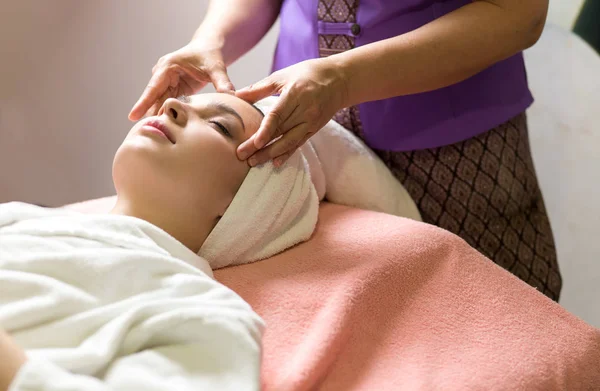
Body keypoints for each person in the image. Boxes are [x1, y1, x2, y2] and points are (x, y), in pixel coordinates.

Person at [129, 0, 561, 301]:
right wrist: (213, 40)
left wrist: (344, 79)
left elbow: (517, 14)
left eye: (222, 124)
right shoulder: (268, 207)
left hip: (457, 149)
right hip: (299, 127)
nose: (172, 110)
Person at [0, 93, 267, 391]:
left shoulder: (201, 308)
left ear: (250, 201)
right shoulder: (22, 218)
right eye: (182, 100)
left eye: (220, 125)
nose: (172, 106)